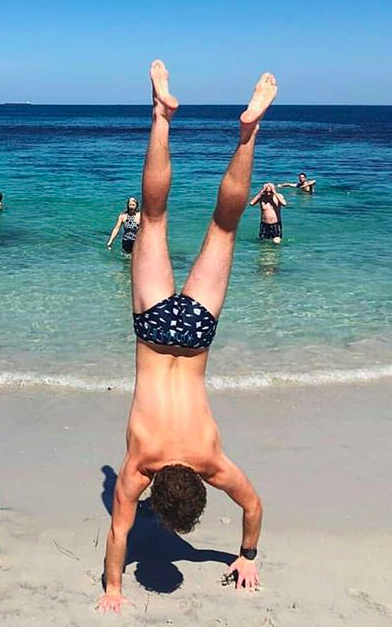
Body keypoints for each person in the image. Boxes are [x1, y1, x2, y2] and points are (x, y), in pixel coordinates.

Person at [97, 61, 274, 613]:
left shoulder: (211, 460)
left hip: (195, 335)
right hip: (153, 332)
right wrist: (113, 588)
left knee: (222, 226)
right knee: (154, 218)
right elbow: (119, 535)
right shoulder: (140, 465)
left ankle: (246, 132)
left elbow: (254, 507)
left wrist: (247, 552)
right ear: (157, 487)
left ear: (198, 482)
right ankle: (161, 116)